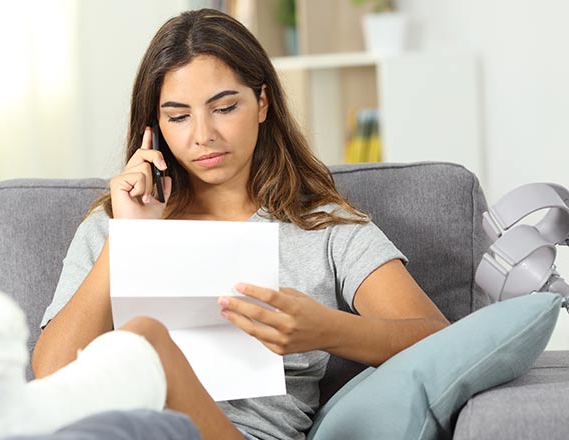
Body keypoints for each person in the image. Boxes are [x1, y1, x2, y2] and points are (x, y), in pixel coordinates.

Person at [32, 8, 450, 440]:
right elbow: (51, 376)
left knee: (145, 340)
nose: (203, 135)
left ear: (262, 103)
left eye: (225, 107)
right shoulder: (115, 223)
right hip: (115, 430)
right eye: (178, 117)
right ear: (153, 129)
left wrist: (324, 329)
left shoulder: (323, 227)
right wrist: (128, 239)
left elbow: (437, 338)